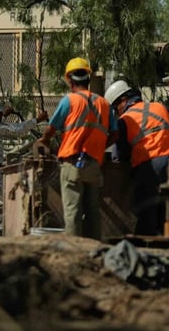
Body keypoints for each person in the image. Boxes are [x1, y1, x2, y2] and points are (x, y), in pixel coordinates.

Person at [34, 57, 117, 240]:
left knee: (73, 212)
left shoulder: (69, 100)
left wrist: (44, 141)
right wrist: (100, 146)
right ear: (88, 79)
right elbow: (115, 133)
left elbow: (51, 127)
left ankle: (75, 251)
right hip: (94, 165)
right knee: (93, 212)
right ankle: (94, 248)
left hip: (72, 165)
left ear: (70, 80)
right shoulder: (104, 104)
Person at [104, 80, 169, 235]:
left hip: (149, 167)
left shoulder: (125, 120)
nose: (117, 112)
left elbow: (120, 155)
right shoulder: (162, 107)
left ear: (123, 101)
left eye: (116, 107)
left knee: (146, 212)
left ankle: (144, 249)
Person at [0, 99, 48, 234]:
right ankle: (6, 233)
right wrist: (37, 120)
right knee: (3, 204)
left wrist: (4, 115)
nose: (0, 116)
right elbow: (16, 130)